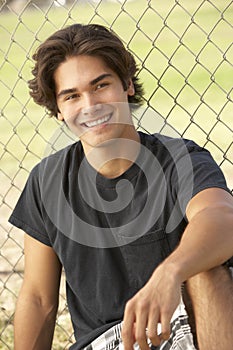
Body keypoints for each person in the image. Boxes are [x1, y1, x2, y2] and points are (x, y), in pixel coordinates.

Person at [9, 23, 233, 350]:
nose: (90, 106)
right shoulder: (47, 182)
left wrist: (169, 273)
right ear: (58, 110)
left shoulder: (181, 160)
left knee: (206, 270)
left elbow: (222, 218)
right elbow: (39, 299)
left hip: (187, 326)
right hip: (106, 343)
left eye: (100, 85)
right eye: (72, 96)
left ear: (127, 84)